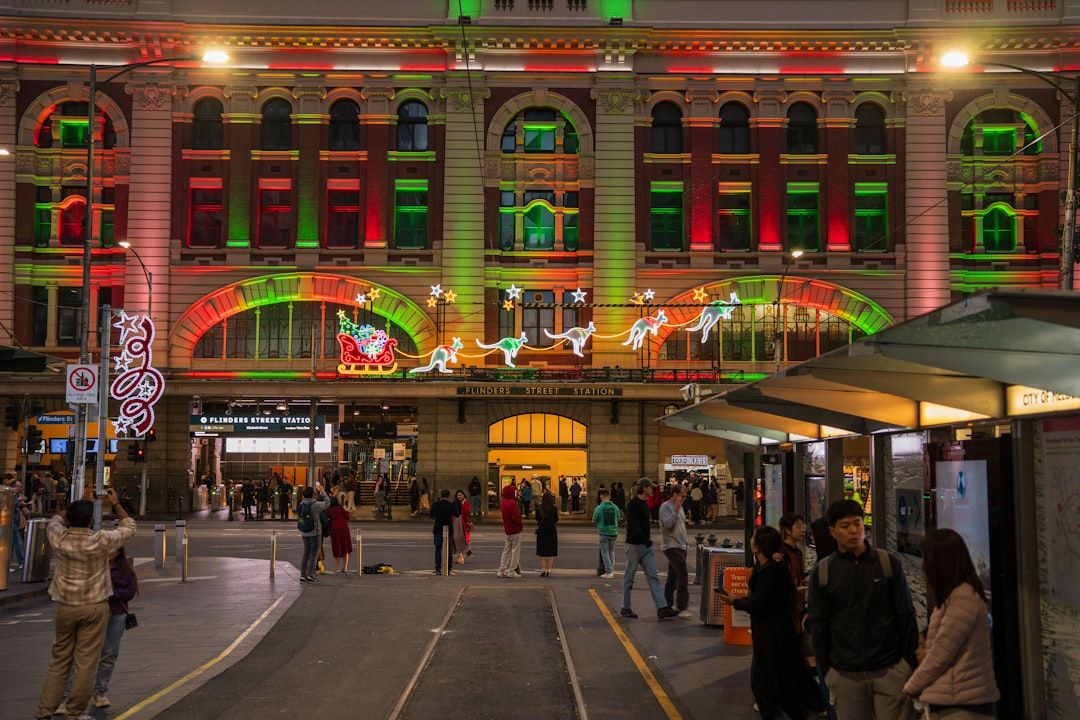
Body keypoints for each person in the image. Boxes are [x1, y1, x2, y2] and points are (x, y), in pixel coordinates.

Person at [808, 500, 919, 720]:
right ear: (832, 531)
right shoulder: (823, 573)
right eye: (845, 525)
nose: (853, 531)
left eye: (857, 524)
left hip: (891, 669)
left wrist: (909, 664)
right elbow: (819, 625)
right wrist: (828, 671)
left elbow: (905, 614)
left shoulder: (887, 563)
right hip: (846, 675)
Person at [35, 492, 137, 720]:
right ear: (91, 520)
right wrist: (116, 503)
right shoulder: (98, 540)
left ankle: (44, 711)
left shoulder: (59, 539)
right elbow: (129, 527)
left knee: (59, 660)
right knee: (86, 663)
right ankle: (74, 712)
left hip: (66, 607)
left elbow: (55, 521)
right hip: (94, 607)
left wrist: (76, 503)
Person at [902, 529, 1000, 719]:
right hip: (954, 701)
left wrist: (912, 686)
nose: (923, 566)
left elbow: (941, 653)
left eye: (926, 558)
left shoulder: (963, 598)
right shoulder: (951, 596)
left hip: (963, 706)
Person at [716, 526, 810, 720]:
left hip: (773, 634)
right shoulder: (768, 567)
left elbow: (759, 603)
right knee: (769, 683)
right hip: (769, 632)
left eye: (753, 539)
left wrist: (735, 601)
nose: (750, 541)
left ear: (758, 547)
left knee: (770, 685)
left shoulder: (772, 570)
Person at [57, 546, 138, 713]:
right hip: (93, 614)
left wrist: (109, 592)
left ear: (119, 552)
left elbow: (129, 592)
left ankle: (100, 692)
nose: (110, 553)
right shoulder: (92, 569)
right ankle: (67, 697)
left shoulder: (125, 570)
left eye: (113, 550)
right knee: (81, 655)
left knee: (109, 653)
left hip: (117, 615)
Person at [621, 478, 679, 621]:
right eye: (651, 488)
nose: (653, 490)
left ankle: (662, 608)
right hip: (635, 545)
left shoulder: (644, 504)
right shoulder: (634, 504)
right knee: (629, 577)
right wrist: (645, 540)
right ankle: (625, 607)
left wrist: (646, 542)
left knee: (653, 577)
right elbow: (633, 527)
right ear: (644, 488)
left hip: (644, 546)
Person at [659, 485, 692, 618]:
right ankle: (682, 606)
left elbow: (681, 525)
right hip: (670, 545)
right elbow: (668, 524)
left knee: (673, 577)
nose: (684, 499)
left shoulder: (681, 507)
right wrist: (676, 508)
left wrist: (685, 542)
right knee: (683, 573)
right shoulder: (665, 507)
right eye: (682, 496)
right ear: (674, 494)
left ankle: (665, 606)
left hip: (681, 545)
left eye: (685, 497)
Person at [297, 486, 331, 583]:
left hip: (304, 532)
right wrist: (322, 491)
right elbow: (327, 502)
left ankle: (303, 575)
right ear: (312, 494)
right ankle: (310, 575)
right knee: (314, 554)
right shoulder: (315, 505)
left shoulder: (301, 504)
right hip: (315, 532)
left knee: (306, 553)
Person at [592, 488, 621, 578]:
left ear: (601, 496)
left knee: (605, 553)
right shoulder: (615, 507)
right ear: (609, 496)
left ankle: (609, 571)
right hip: (614, 532)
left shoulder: (599, 508)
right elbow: (618, 518)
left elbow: (594, 519)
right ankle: (611, 570)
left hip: (604, 532)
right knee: (611, 552)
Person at [430, 488, 460, 575]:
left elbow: (431, 514)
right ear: (448, 496)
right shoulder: (451, 505)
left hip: (438, 528)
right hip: (448, 528)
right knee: (448, 549)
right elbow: (457, 514)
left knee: (438, 549)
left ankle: (438, 569)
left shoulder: (436, 504)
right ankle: (449, 569)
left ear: (441, 495)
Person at [497, 484, 523, 578]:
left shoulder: (503, 502)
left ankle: (501, 570)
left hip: (507, 529)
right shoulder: (512, 503)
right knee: (515, 551)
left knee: (506, 550)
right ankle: (512, 570)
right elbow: (515, 517)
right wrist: (520, 524)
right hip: (515, 529)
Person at [535, 491, 559, 577]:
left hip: (541, 531)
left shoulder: (539, 508)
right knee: (550, 552)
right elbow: (556, 519)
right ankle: (548, 570)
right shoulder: (554, 508)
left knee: (542, 552)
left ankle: (543, 569)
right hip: (551, 531)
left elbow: (537, 519)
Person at [326, 496, 353, 573]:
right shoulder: (341, 508)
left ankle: (337, 567)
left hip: (335, 528)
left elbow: (328, 521)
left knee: (336, 547)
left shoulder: (329, 510)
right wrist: (346, 510)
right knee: (345, 547)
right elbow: (347, 517)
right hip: (344, 528)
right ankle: (345, 567)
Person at [452, 490, 472, 565]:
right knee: (456, 538)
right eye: (458, 495)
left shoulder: (466, 503)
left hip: (463, 522)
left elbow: (467, 512)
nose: (459, 497)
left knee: (463, 539)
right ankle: (459, 555)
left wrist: (463, 505)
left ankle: (461, 555)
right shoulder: (454, 503)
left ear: (464, 495)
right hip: (455, 522)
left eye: (461, 495)